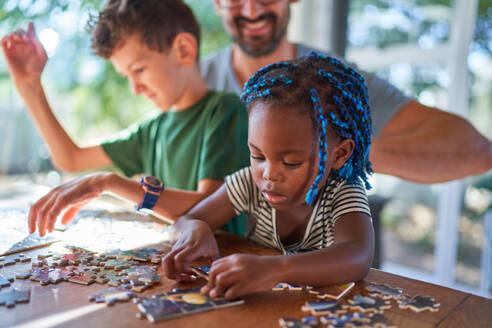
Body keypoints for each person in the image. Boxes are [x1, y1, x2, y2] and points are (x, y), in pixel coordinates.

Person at [1, 0, 249, 236]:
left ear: (183, 49)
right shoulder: (152, 128)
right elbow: (70, 158)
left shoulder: (225, 110)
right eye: (126, 76)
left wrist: (108, 183)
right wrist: (29, 86)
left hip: (221, 270)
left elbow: (210, 210)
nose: (135, 88)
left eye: (139, 70)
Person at [201, 0, 492, 183]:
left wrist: (338, 155)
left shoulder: (336, 84)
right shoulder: (193, 80)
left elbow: (476, 152)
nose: (252, 10)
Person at [163, 52, 375, 299]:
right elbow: (184, 221)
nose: (269, 174)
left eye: (291, 162)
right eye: (257, 156)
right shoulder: (248, 184)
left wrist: (276, 269)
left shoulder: (343, 191)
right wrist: (195, 230)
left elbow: (358, 256)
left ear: (339, 154)